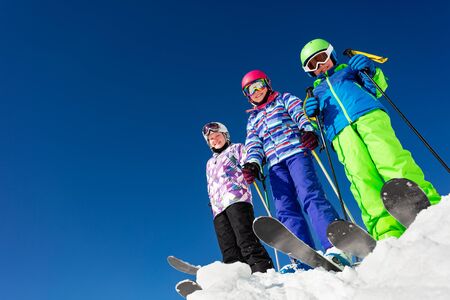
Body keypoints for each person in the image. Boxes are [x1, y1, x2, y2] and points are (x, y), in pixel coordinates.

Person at [299, 38, 441, 240]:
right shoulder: (316, 92)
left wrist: (369, 70)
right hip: (340, 133)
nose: (320, 66)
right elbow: (315, 125)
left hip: (368, 116)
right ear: (309, 71)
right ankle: (385, 230)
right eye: (312, 65)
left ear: (331, 54)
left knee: (390, 158)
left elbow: (378, 87)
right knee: (360, 177)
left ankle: (425, 205)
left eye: (322, 58)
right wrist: (312, 115)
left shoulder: (348, 71)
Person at [240, 70, 350, 272]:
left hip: (295, 152)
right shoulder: (252, 120)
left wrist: (308, 130)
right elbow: (254, 143)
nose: (256, 91)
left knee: (310, 194)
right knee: (284, 209)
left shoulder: (284, 98)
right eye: (250, 90)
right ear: (247, 96)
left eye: (259, 85)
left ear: (268, 84)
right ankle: (302, 257)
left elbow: (300, 114)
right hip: (274, 165)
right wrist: (253, 163)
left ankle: (335, 246)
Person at [202, 121, 273, 273]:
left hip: (237, 199)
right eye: (211, 139)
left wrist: (252, 168)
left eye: (217, 135)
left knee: (244, 238)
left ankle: (262, 271)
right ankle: (237, 278)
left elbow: (251, 159)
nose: (215, 140)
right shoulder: (209, 163)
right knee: (227, 247)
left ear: (225, 135)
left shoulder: (237, 148)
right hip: (217, 208)